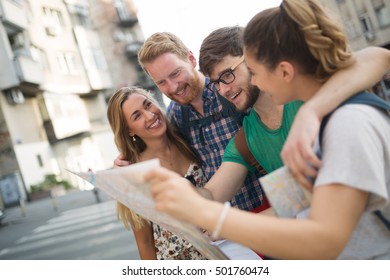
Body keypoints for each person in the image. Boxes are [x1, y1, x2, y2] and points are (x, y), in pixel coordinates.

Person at [146, 0, 390, 259]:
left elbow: (327, 237)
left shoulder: (339, 118)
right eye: (217, 83)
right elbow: (296, 204)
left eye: (252, 71)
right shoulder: (249, 135)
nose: (223, 91)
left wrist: (217, 218)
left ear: (283, 69)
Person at [115, 32, 268, 213]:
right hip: (225, 227)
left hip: (270, 208)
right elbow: (162, 152)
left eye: (175, 73)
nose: (173, 87)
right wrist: (131, 161)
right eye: (161, 82)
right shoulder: (175, 116)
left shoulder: (232, 89)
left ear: (191, 59)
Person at [107, 86, 207, 260]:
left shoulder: (187, 140)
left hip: (221, 252)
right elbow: (144, 241)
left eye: (148, 105)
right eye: (137, 116)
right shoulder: (135, 173)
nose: (150, 115)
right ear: (129, 130)